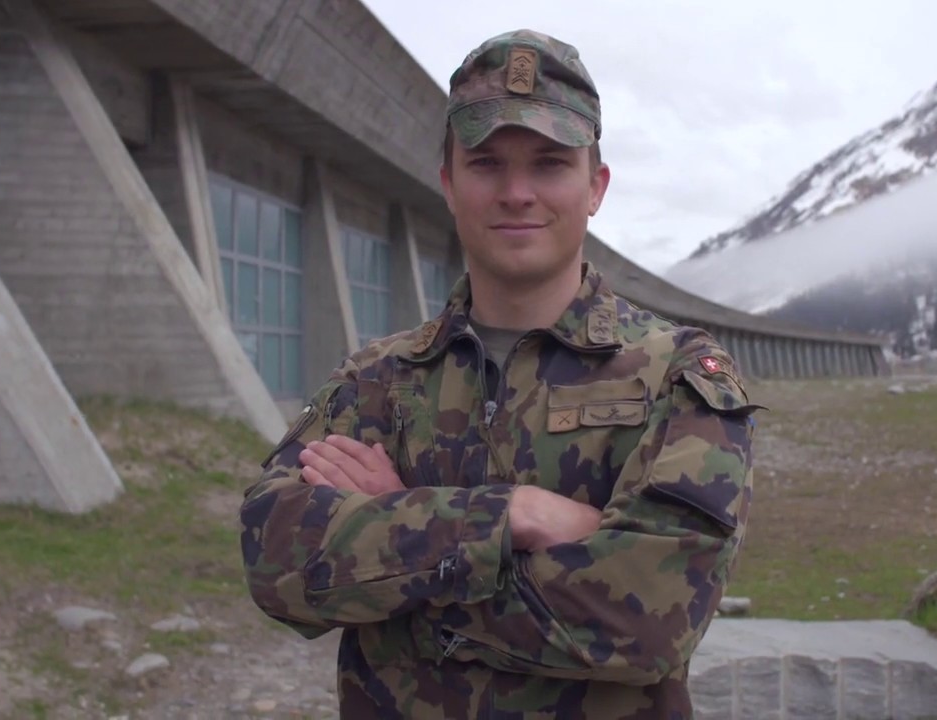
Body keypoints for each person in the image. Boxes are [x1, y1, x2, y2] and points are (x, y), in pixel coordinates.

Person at [239, 28, 760, 719]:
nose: (517, 192)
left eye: (549, 164)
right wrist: (516, 516)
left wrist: (402, 553)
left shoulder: (677, 373)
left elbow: (651, 618)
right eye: (486, 164)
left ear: (595, 186)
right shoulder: (381, 377)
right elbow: (277, 559)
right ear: (450, 184)